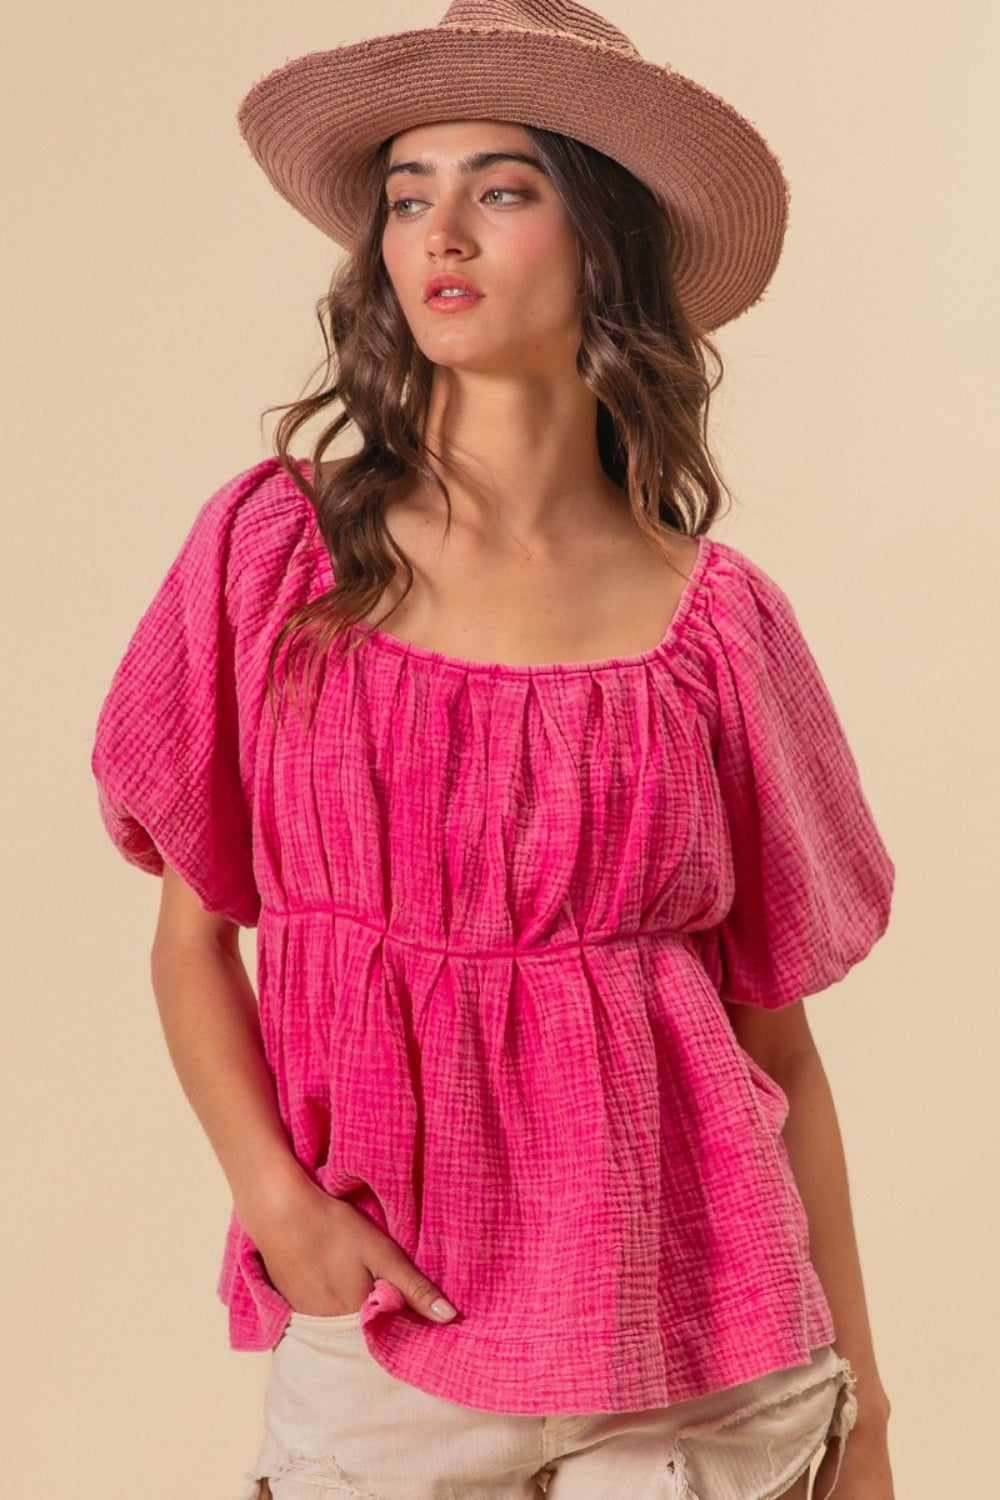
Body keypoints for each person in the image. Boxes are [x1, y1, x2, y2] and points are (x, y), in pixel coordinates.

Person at [91, 1, 898, 1496]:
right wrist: (279, 1209)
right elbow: (189, 942)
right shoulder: (278, 557)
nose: (438, 233)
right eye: (409, 195)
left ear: (605, 242)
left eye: (501, 189)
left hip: (703, 1351)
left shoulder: (721, 629)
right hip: (391, 1327)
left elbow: (776, 1047)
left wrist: (875, 1413)